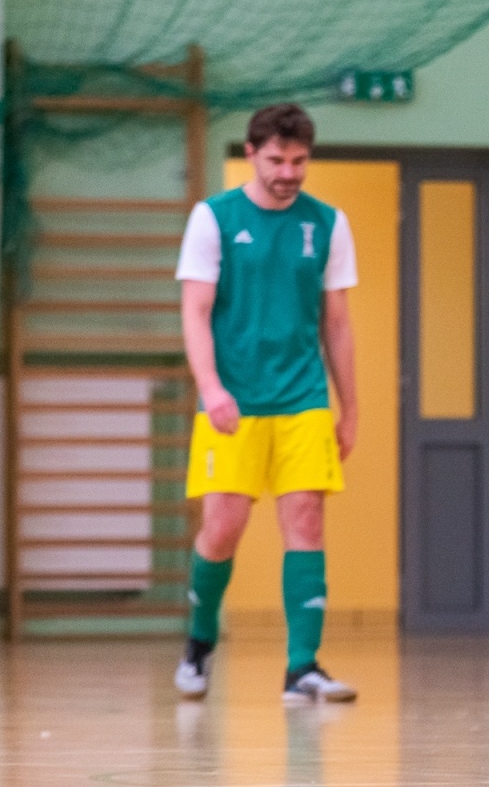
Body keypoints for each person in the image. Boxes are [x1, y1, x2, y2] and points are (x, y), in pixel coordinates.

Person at [172, 103, 360, 704]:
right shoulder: (214, 218)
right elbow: (196, 311)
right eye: (277, 160)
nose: (288, 173)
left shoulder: (327, 223)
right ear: (252, 154)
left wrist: (350, 410)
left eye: (299, 161)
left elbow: (337, 324)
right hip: (234, 400)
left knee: (306, 519)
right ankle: (200, 641)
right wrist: (211, 388)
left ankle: (302, 668)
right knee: (222, 530)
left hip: (303, 398)